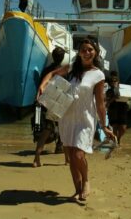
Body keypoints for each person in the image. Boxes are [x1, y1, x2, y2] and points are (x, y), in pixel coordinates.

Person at [37, 38, 115, 201]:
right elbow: (52, 74)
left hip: (85, 119)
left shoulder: (98, 74)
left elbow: (100, 103)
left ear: (95, 53)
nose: (86, 53)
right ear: (78, 53)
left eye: (90, 50)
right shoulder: (72, 68)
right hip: (67, 117)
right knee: (72, 156)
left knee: (79, 154)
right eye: (83, 50)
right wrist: (42, 86)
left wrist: (104, 126)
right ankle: (77, 190)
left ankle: (86, 181)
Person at [32, 46, 69, 167]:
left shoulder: (47, 70)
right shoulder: (64, 71)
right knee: (64, 132)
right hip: (61, 103)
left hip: (49, 103)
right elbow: (68, 88)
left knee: (46, 130)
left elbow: (41, 87)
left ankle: (36, 158)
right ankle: (66, 158)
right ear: (63, 58)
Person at [105, 71, 128, 145]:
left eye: (115, 81)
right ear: (110, 83)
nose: (114, 82)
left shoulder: (124, 89)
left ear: (118, 81)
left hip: (122, 109)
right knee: (114, 127)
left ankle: (118, 138)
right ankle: (115, 144)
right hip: (113, 110)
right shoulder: (109, 91)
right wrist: (113, 98)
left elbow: (128, 98)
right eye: (112, 81)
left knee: (123, 128)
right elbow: (107, 103)